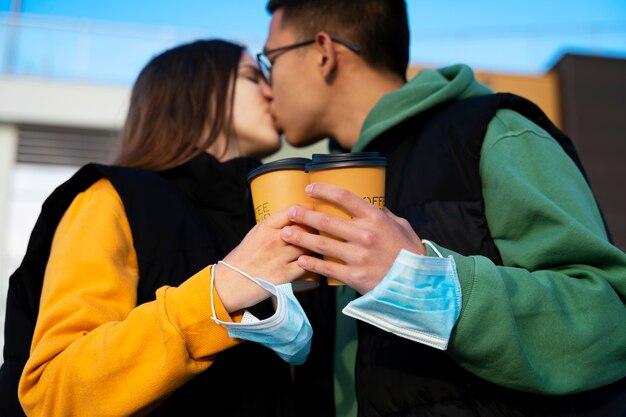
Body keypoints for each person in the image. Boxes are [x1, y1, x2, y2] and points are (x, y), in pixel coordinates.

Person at [257, 1, 626, 416]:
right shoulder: (320, 185)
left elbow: (611, 321)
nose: (266, 86)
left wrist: (427, 285)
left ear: (323, 53)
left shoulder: (496, 131)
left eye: (270, 59)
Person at [0, 39, 311, 416]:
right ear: (195, 93)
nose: (270, 89)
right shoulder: (108, 198)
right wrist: (218, 293)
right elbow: (53, 394)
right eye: (251, 76)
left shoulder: (255, 221)